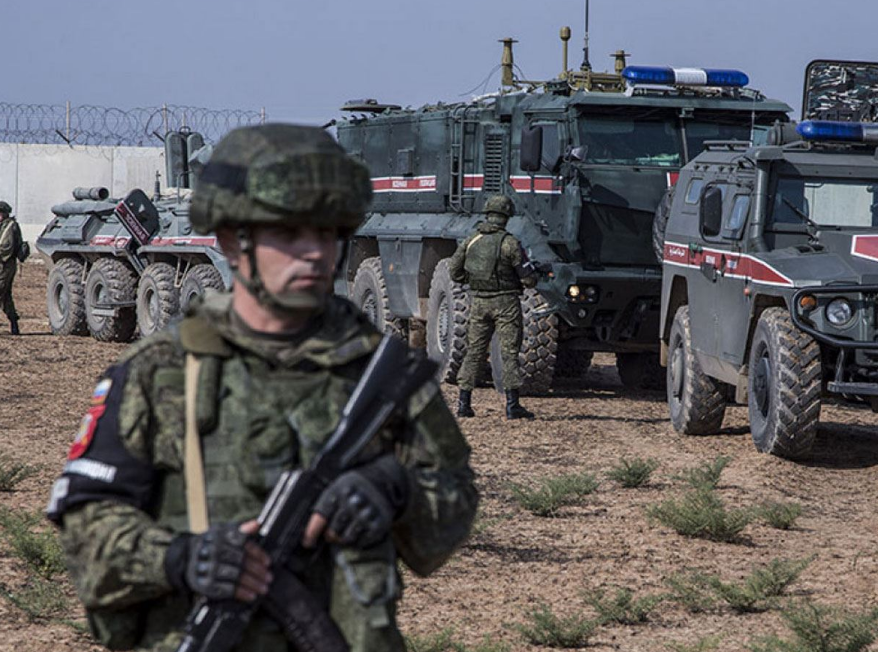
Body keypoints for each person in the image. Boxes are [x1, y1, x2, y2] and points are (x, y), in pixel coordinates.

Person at [47, 124, 478, 652]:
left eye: (328, 233)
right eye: (290, 234)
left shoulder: (379, 372)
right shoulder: (161, 371)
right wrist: (177, 558)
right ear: (233, 239)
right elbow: (86, 525)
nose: (315, 253)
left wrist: (393, 489)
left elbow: (452, 509)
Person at [449, 194, 537, 420]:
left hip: (479, 302)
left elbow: (454, 272)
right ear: (506, 216)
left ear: (487, 214)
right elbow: (528, 280)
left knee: (474, 352)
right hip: (506, 303)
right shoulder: (510, 243)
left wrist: (473, 280)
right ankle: (512, 406)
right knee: (509, 353)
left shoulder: (471, 240)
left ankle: (464, 404)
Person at [0, 201, 23, 334]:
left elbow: (5, 248)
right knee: (5, 297)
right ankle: (14, 323)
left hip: (5, 265)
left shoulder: (9, 226)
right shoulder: (3, 226)